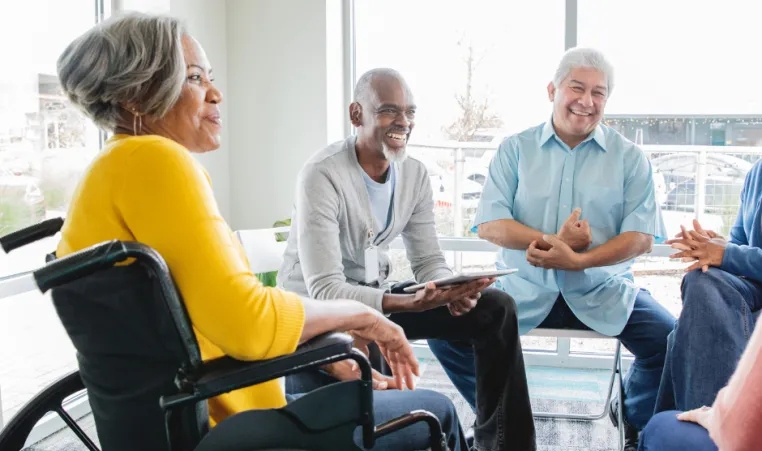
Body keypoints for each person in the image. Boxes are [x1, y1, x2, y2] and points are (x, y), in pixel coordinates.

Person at [55, 12, 467, 450]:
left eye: (210, 77)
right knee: (434, 411)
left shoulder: (110, 170)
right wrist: (361, 316)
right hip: (227, 426)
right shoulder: (154, 161)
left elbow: (209, 318)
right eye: (194, 78)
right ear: (137, 98)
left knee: (376, 389)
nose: (215, 93)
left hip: (182, 415)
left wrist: (321, 348)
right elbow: (247, 323)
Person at [278, 68, 536, 451]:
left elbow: (428, 259)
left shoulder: (414, 175)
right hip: (323, 314)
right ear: (356, 114)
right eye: (388, 111)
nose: (403, 122)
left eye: (410, 112)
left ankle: (505, 445)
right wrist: (408, 302)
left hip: (377, 299)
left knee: (494, 308)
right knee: (374, 389)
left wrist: (452, 289)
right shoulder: (322, 174)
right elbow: (325, 288)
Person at [471, 47, 675, 451]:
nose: (587, 101)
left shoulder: (630, 158)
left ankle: (634, 419)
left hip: (603, 290)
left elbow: (641, 237)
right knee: (447, 331)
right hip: (521, 290)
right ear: (552, 89)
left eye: (599, 93)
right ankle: (501, 419)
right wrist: (553, 243)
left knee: (670, 341)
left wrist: (578, 260)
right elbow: (491, 225)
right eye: (576, 87)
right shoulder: (515, 149)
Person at [640, 159, 762, 450]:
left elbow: (735, 254)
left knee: (683, 333)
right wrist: (714, 246)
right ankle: (706, 423)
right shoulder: (757, 171)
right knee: (701, 280)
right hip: (754, 288)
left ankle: (698, 431)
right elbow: (740, 242)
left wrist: (728, 254)